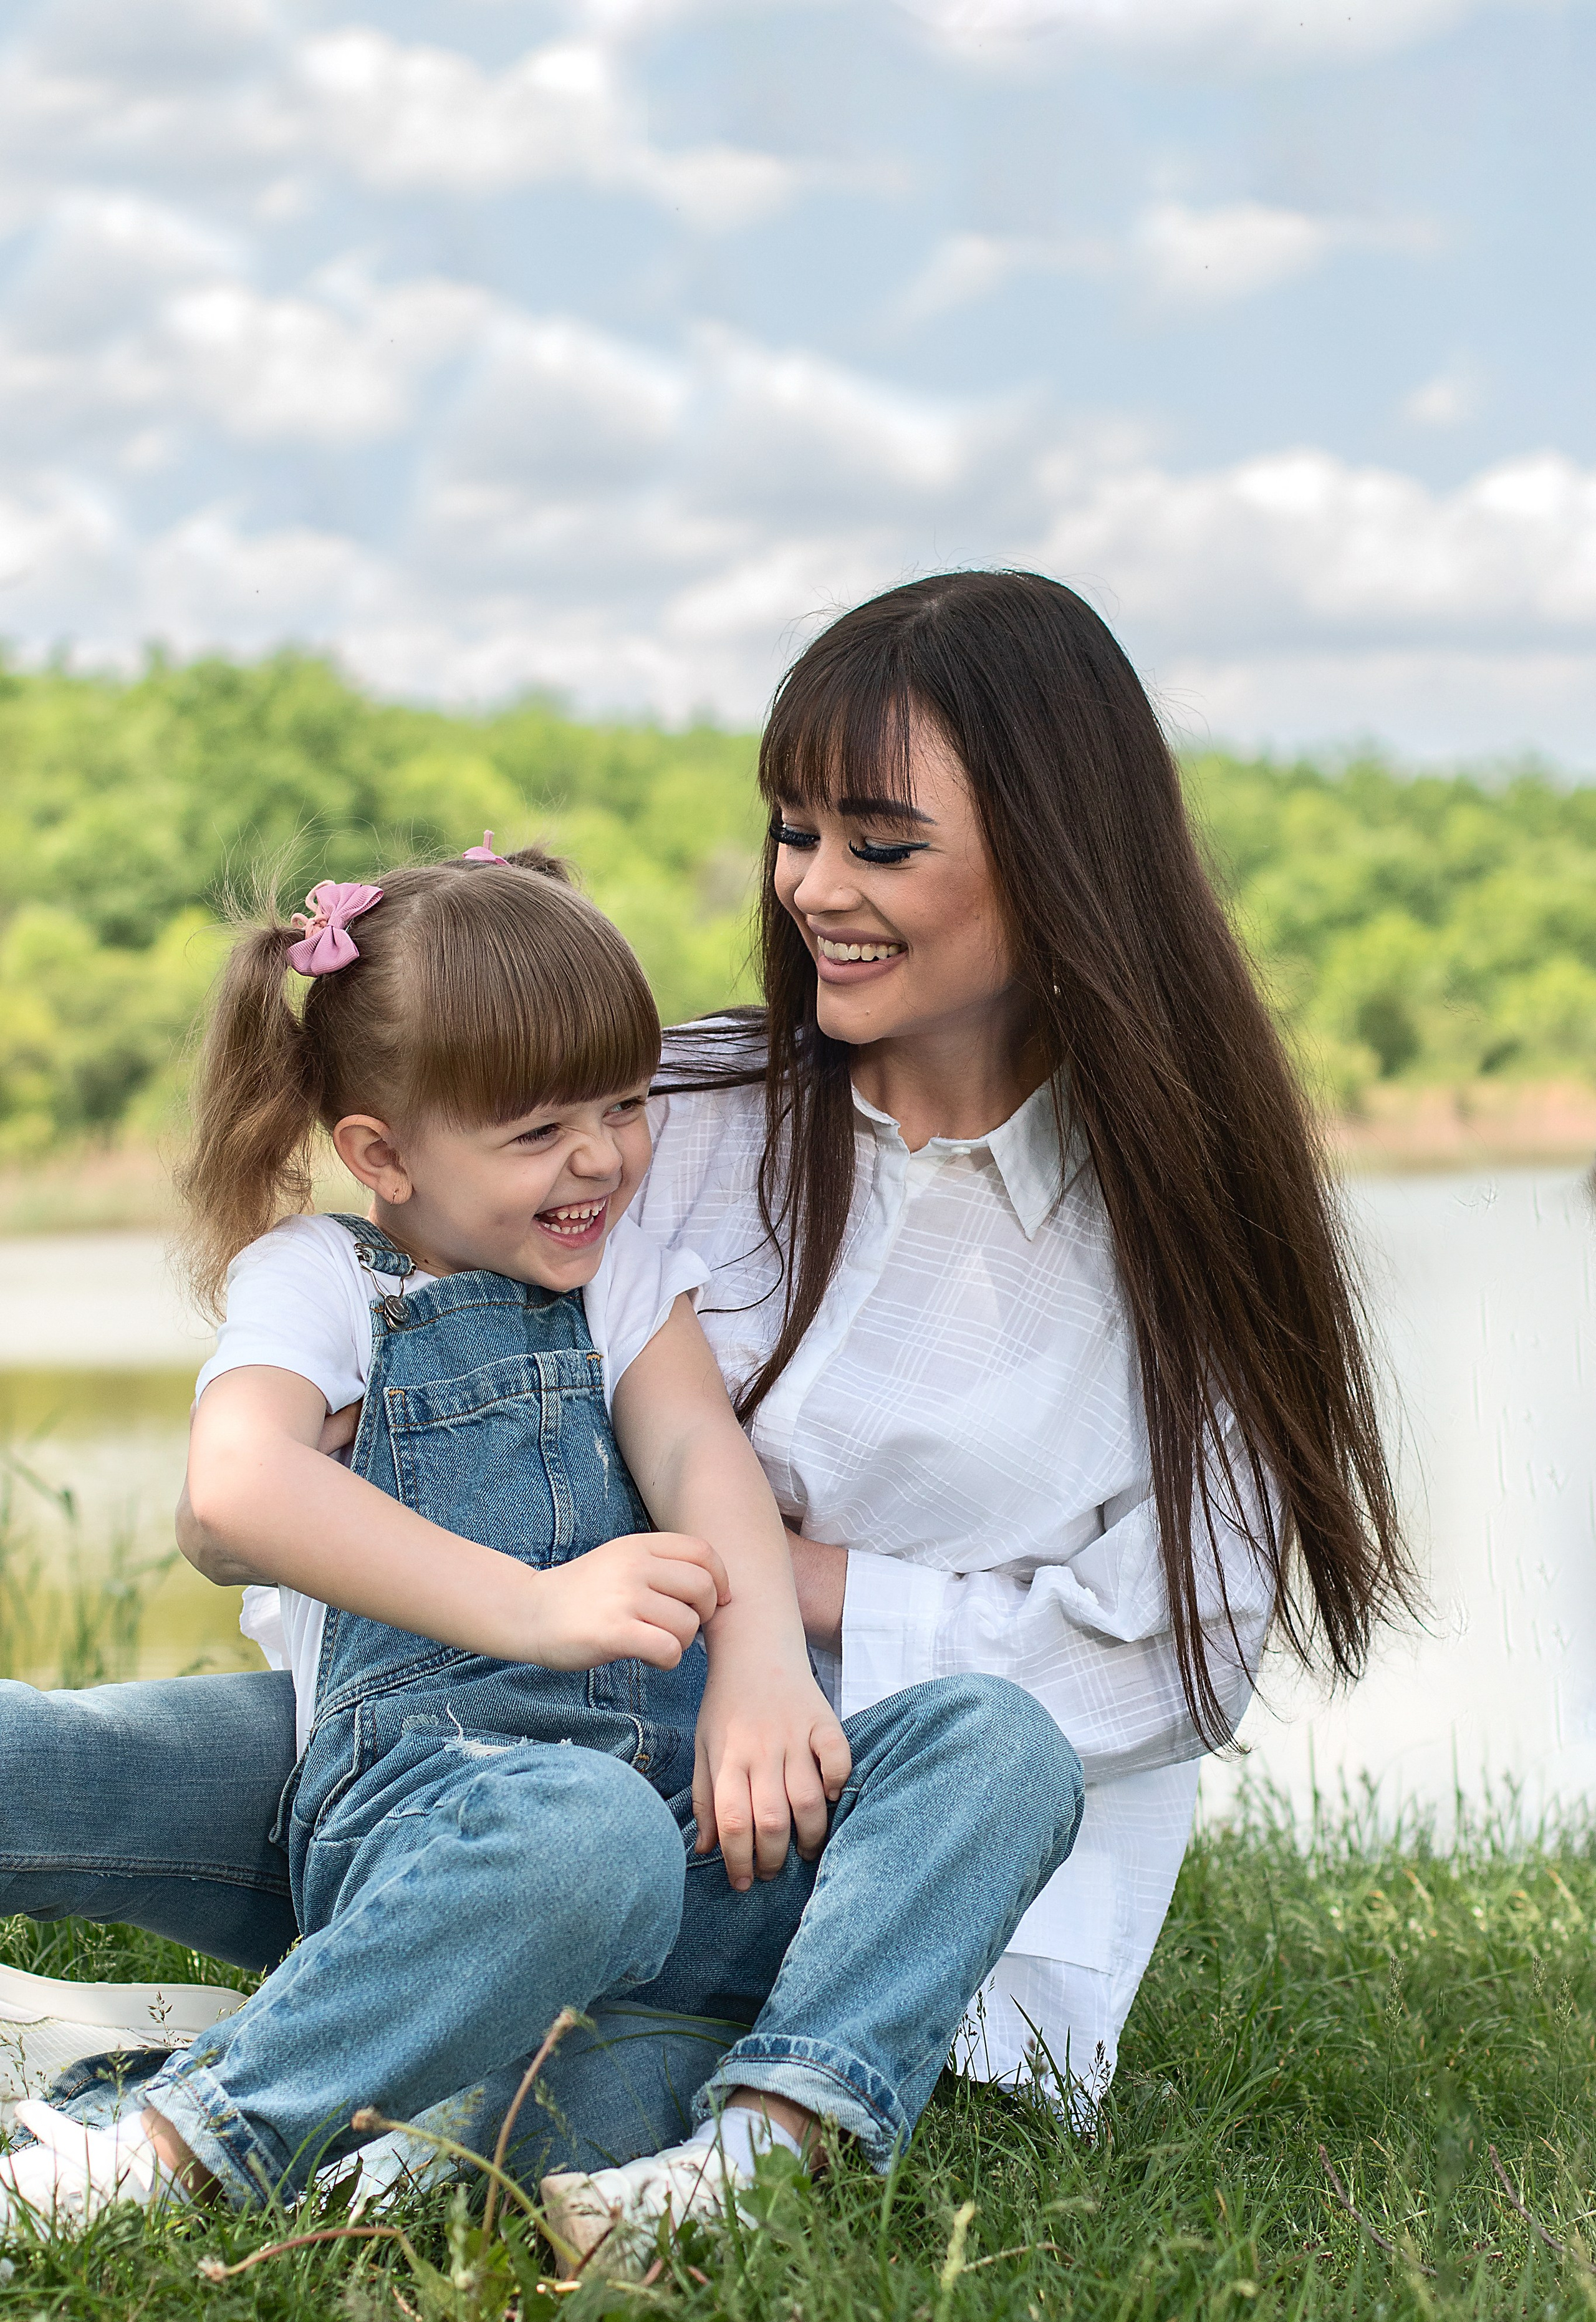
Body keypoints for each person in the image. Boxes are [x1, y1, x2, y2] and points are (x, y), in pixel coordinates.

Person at [0, 564, 1402, 2228]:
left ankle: (162, 2102)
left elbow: (1172, 1655)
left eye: (882, 842)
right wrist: (453, 1551)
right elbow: (356, 1429)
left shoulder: (1179, 1228)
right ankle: (288, 2022)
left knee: (512, 2117)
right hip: (475, 1769)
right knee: (81, 1759)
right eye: (794, 831)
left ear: (1059, 852)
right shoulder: (668, 1104)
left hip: (821, 1866)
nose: (815, 887)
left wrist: (773, 1632)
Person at [0, 842, 1083, 2255]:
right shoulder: (325, 1282)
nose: (601, 1159)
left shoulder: (622, 1274)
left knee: (1000, 1742)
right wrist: (532, 1607)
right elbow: (232, 1495)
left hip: (706, 1852)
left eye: (624, 1106)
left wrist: (761, 1666)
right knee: (577, 1865)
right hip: (453, 1830)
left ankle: (764, 2145)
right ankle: (180, 2143)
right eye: (532, 1132)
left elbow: (702, 1453)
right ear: (381, 1152)